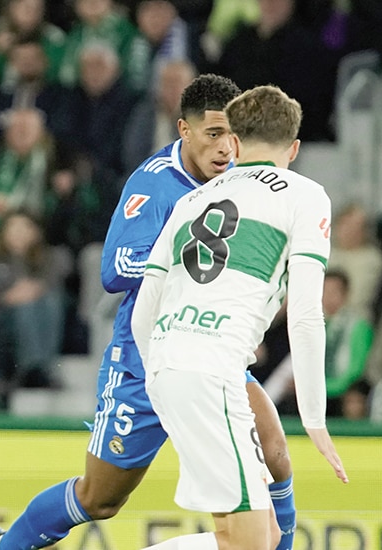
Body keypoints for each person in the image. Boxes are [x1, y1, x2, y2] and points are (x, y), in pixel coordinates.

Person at [0, 74, 299, 550]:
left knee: (275, 454)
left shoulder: (244, 180)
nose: (225, 149)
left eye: (232, 136)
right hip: (145, 358)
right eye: (212, 135)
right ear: (183, 130)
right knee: (100, 498)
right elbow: (115, 268)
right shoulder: (154, 182)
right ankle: (3, 547)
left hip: (212, 356)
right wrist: (184, 263)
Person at [130, 84, 347, 549]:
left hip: (171, 365)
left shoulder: (192, 201)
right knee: (248, 544)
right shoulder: (305, 195)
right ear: (294, 148)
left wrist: (160, 376)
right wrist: (315, 419)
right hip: (212, 374)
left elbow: (143, 311)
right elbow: (307, 315)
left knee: (257, 536)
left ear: (235, 142)